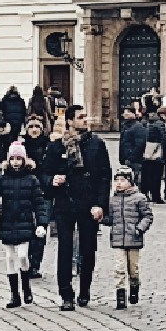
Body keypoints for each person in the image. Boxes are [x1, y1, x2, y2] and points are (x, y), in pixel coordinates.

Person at [49, 112, 110, 311]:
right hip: (65, 202)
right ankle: (66, 294)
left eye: (86, 116)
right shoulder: (57, 146)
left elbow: (104, 176)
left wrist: (101, 204)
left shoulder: (96, 144)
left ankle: (85, 290)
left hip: (88, 203)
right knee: (65, 249)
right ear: (69, 121)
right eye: (81, 117)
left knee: (88, 249)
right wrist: (52, 180)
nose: (86, 119)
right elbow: (44, 172)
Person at [0, 143, 47, 305]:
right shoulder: (3, 179)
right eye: (13, 159)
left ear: (24, 160)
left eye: (18, 159)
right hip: (8, 223)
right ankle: (14, 294)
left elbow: (39, 203)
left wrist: (41, 223)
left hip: (25, 223)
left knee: (23, 256)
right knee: (10, 258)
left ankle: (26, 286)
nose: (15, 162)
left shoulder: (31, 180)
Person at [104, 168, 154, 309]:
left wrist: (140, 228)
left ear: (130, 182)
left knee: (133, 268)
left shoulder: (139, 198)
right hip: (118, 239)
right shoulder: (113, 200)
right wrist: (102, 218)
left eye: (123, 180)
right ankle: (120, 294)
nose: (119, 183)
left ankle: (134, 286)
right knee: (119, 268)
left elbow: (147, 216)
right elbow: (110, 219)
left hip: (134, 238)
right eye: (117, 180)